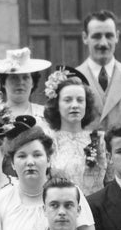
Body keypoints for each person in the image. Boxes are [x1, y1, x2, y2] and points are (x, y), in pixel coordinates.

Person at [41, 67, 108, 195]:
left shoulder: (100, 139)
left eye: (80, 100)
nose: (75, 105)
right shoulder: (48, 141)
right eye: (67, 100)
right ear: (57, 104)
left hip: (96, 209)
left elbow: (111, 182)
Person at [73, 10, 121, 130]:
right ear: (85, 38)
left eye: (109, 36)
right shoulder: (72, 79)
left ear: (117, 36)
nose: (103, 43)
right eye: (96, 36)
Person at [0, 48, 51, 127]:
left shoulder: (45, 114)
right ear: (3, 82)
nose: (20, 82)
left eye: (25, 77)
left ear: (33, 83)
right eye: (14, 78)